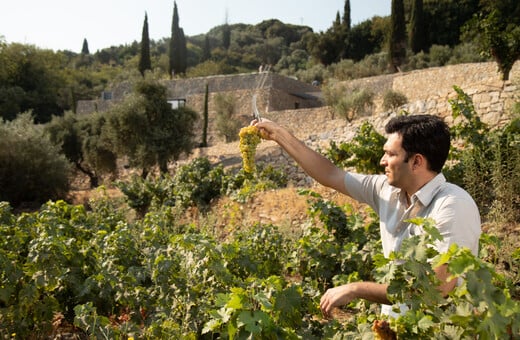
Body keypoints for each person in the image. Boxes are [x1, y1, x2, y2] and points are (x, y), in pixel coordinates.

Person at [254, 114, 481, 318]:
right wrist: (278, 134)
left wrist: (357, 289)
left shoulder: (453, 205)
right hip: (394, 327)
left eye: (391, 154)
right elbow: (329, 174)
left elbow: (436, 291)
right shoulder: (386, 190)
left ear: (416, 161)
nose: (382, 160)